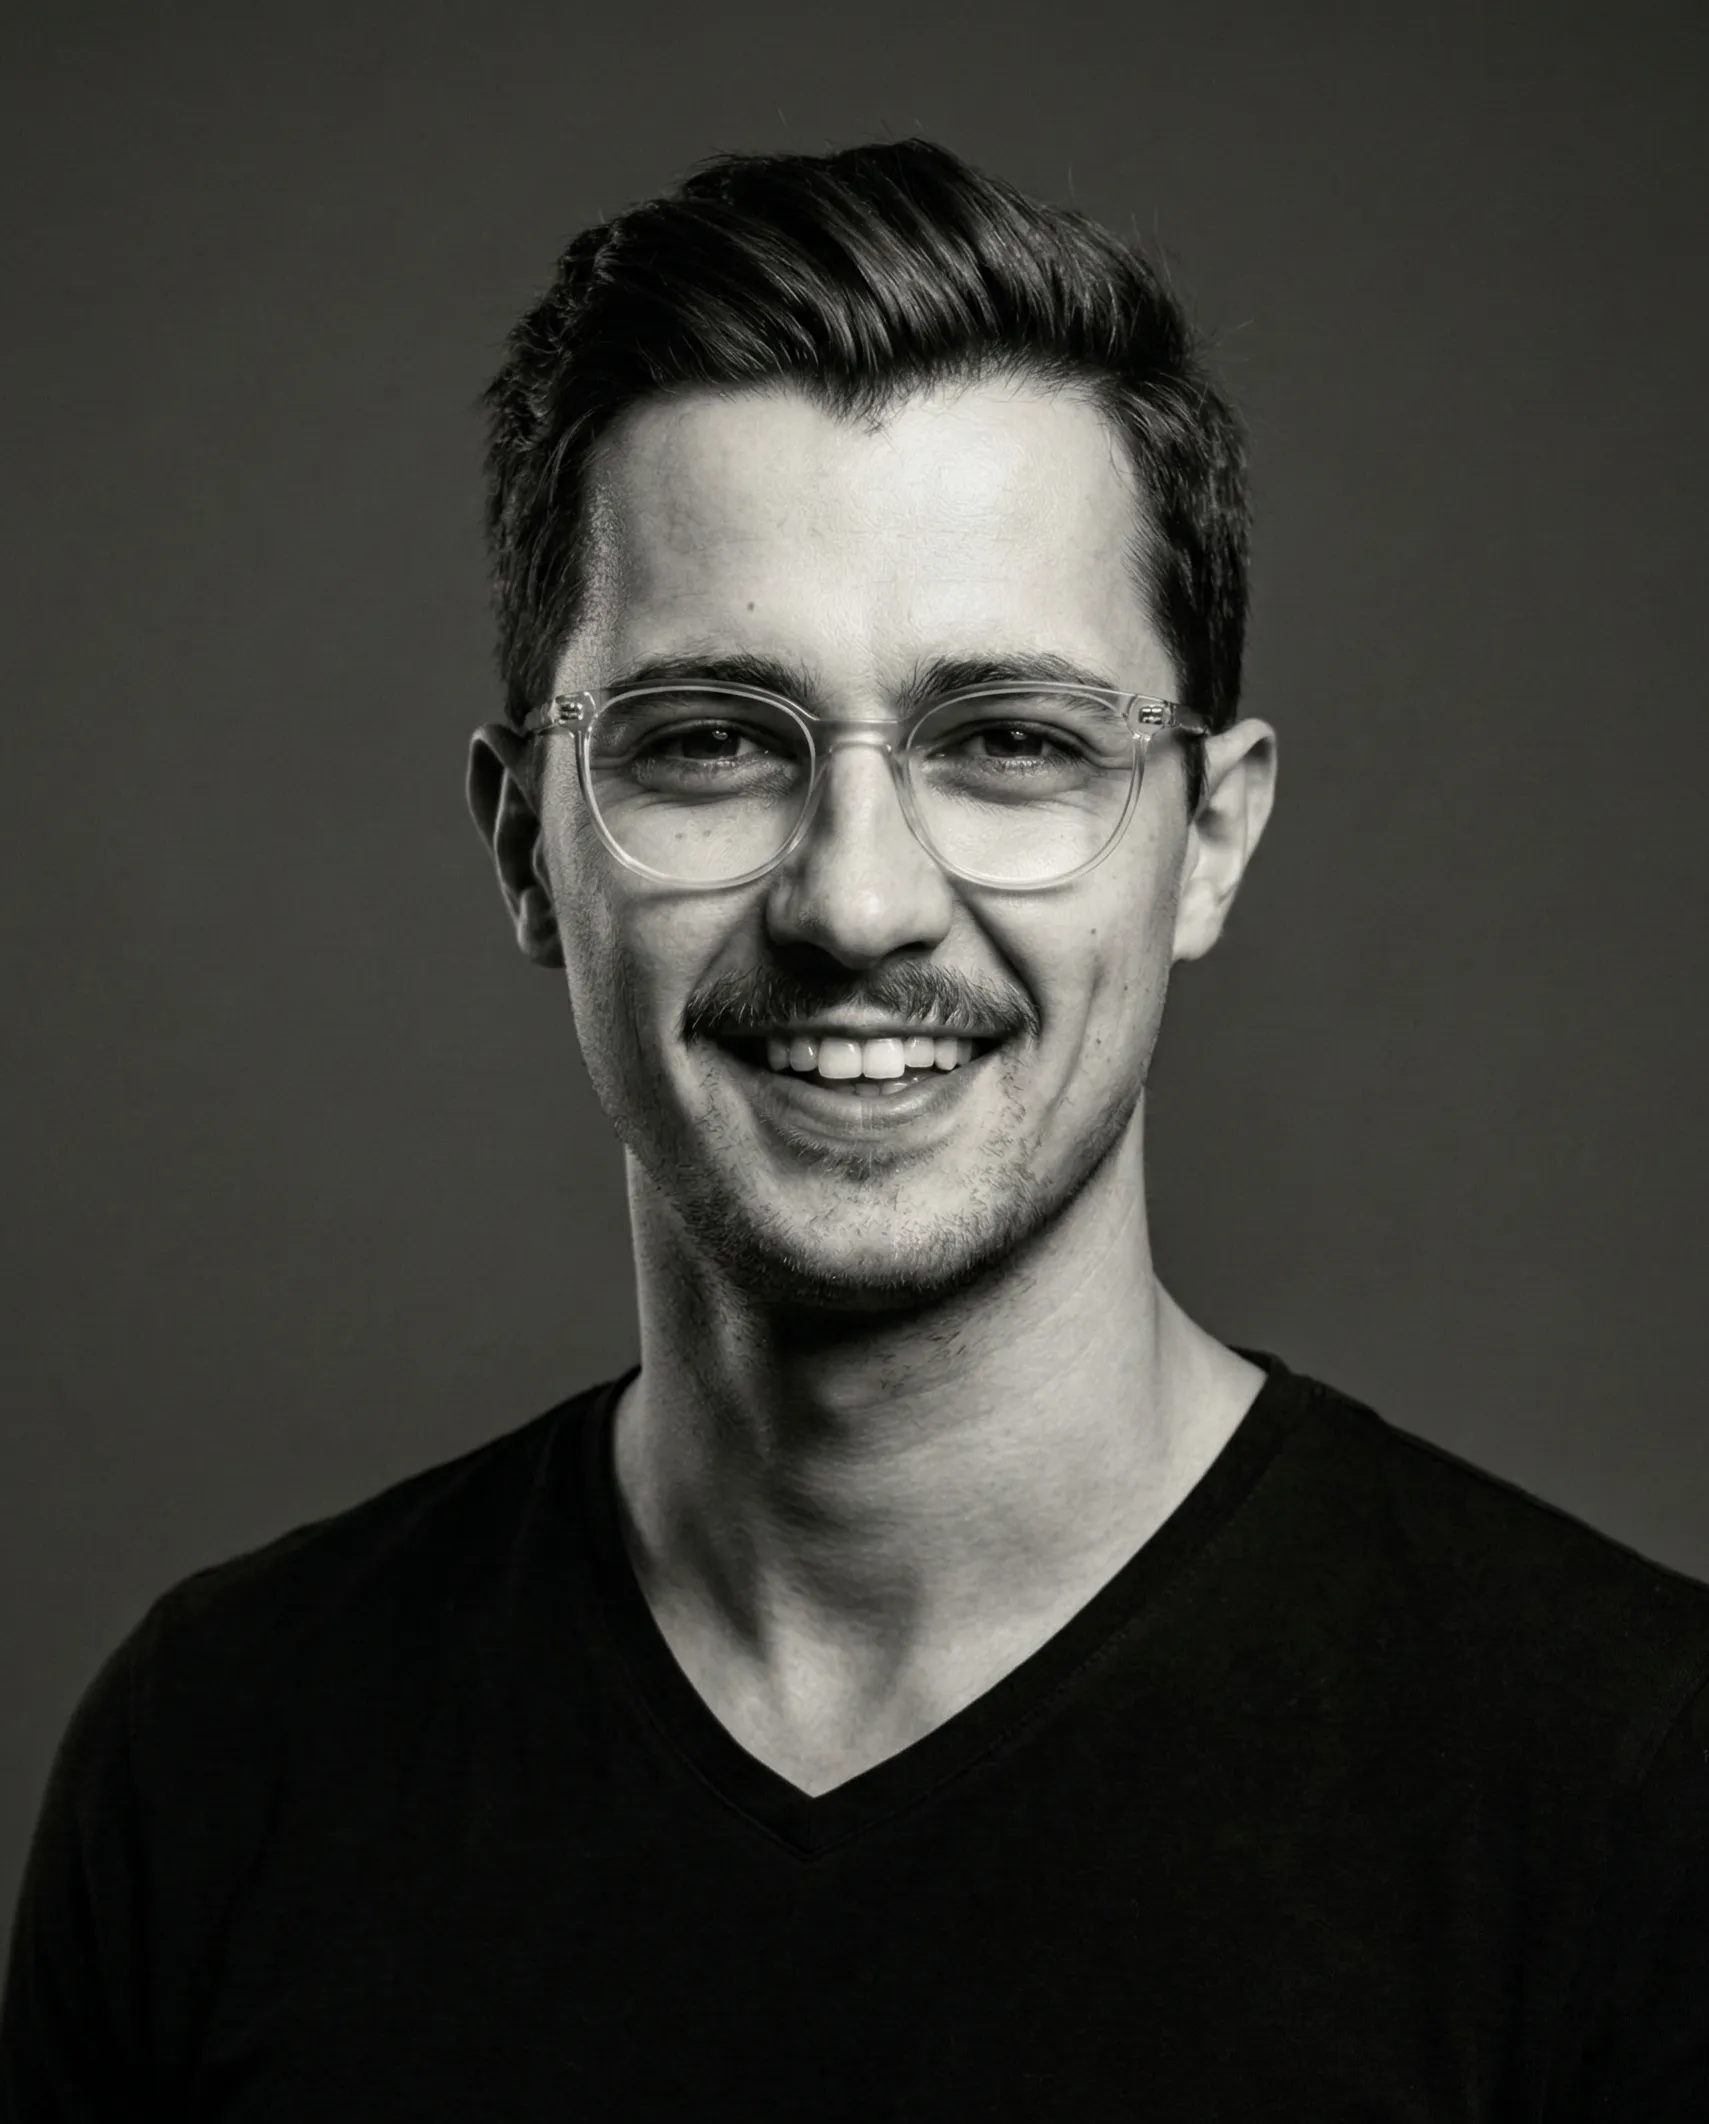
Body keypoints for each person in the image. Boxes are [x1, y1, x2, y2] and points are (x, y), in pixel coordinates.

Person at [3, 137, 1706, 2123]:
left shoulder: (1630, 1794)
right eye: (710, 741)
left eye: (1012, 744)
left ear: (1207, 839)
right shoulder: (223, 1760)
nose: (855, 903)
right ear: (521, 846)